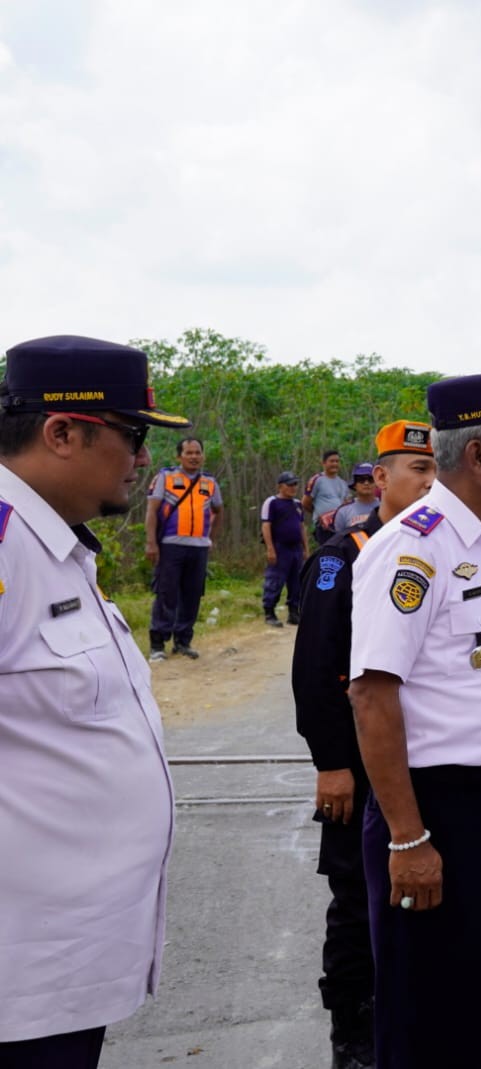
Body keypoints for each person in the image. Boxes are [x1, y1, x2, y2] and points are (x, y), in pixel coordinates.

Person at [347, 373, 481, 1068]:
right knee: (435, 1024)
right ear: (476, 454)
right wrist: (408, 838)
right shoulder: (413, 547)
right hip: (437, 812)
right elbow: (372, 695)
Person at [0, 334, 190, 1067]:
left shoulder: (54, 546)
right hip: (20, 975)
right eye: (132, 435)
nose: (142, 458)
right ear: (61, 432)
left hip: (63, 969)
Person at [292, 420, 436, 1069]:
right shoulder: (341, 555)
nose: (430, 483)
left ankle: (408, 1018)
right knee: (357, 899)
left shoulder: (435, 549)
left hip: (420, 757)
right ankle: (351, 1032)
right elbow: (316, 669)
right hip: (356, 759)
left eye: (437, 471)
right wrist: (331, 764)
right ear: (380, 477)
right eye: (418, 469)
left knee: (421, 893)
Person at [144, 435, 222, 659]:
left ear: (203, 456)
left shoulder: (210, 482)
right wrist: (151, 542)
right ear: (179, 456)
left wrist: (211, 538)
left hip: (199, 547)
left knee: (192, 595)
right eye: (189, 453)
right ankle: (158, 644)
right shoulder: (166, 477)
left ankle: (183, 641)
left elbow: (219, 510)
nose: (194, 457)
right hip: (170, 545)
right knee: (166, 594)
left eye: (198, 453)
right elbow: (152, 511)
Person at [261, 471, 308, 627]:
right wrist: (270, 548)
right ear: (280, 486)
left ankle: (294, 612)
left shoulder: (297, 504)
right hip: (280, 547)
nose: (293, 487)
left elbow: (301, 527)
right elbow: (266, 526)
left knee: (297, 581)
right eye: (290, 484)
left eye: (295, 484)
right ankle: (269, 612)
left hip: (296, 548)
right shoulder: (272, 502)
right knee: (275, 580)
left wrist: (305, 548)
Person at [305, 450, 349, 545]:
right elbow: (305, 502)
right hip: (323, 527)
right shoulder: (317, 480)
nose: (335, 464)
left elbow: (346, 503)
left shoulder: (343, 483)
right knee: (326, 551)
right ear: (324, 463)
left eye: (337, 461)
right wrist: (319, 514)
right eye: (332, 461)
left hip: (339, 527)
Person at [333, 463, 379, 533]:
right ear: (354, 484)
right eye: (361, 479)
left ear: (377, 483)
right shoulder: (343, 512)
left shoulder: (386, 507)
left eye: (371, 479)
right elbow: (338, 537)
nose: (366, 483)